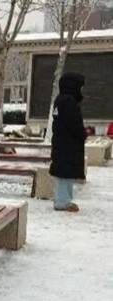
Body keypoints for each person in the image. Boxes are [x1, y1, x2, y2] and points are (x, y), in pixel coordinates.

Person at [50, 72, 87, 213]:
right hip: (68, 145)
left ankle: (64, 200)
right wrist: (83, 133)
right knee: (65, 173)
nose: (81, 90)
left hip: (62, 144)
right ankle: (62, 202)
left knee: (64, 172)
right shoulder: (69, 102)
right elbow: (73, 124)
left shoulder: (61, 100)